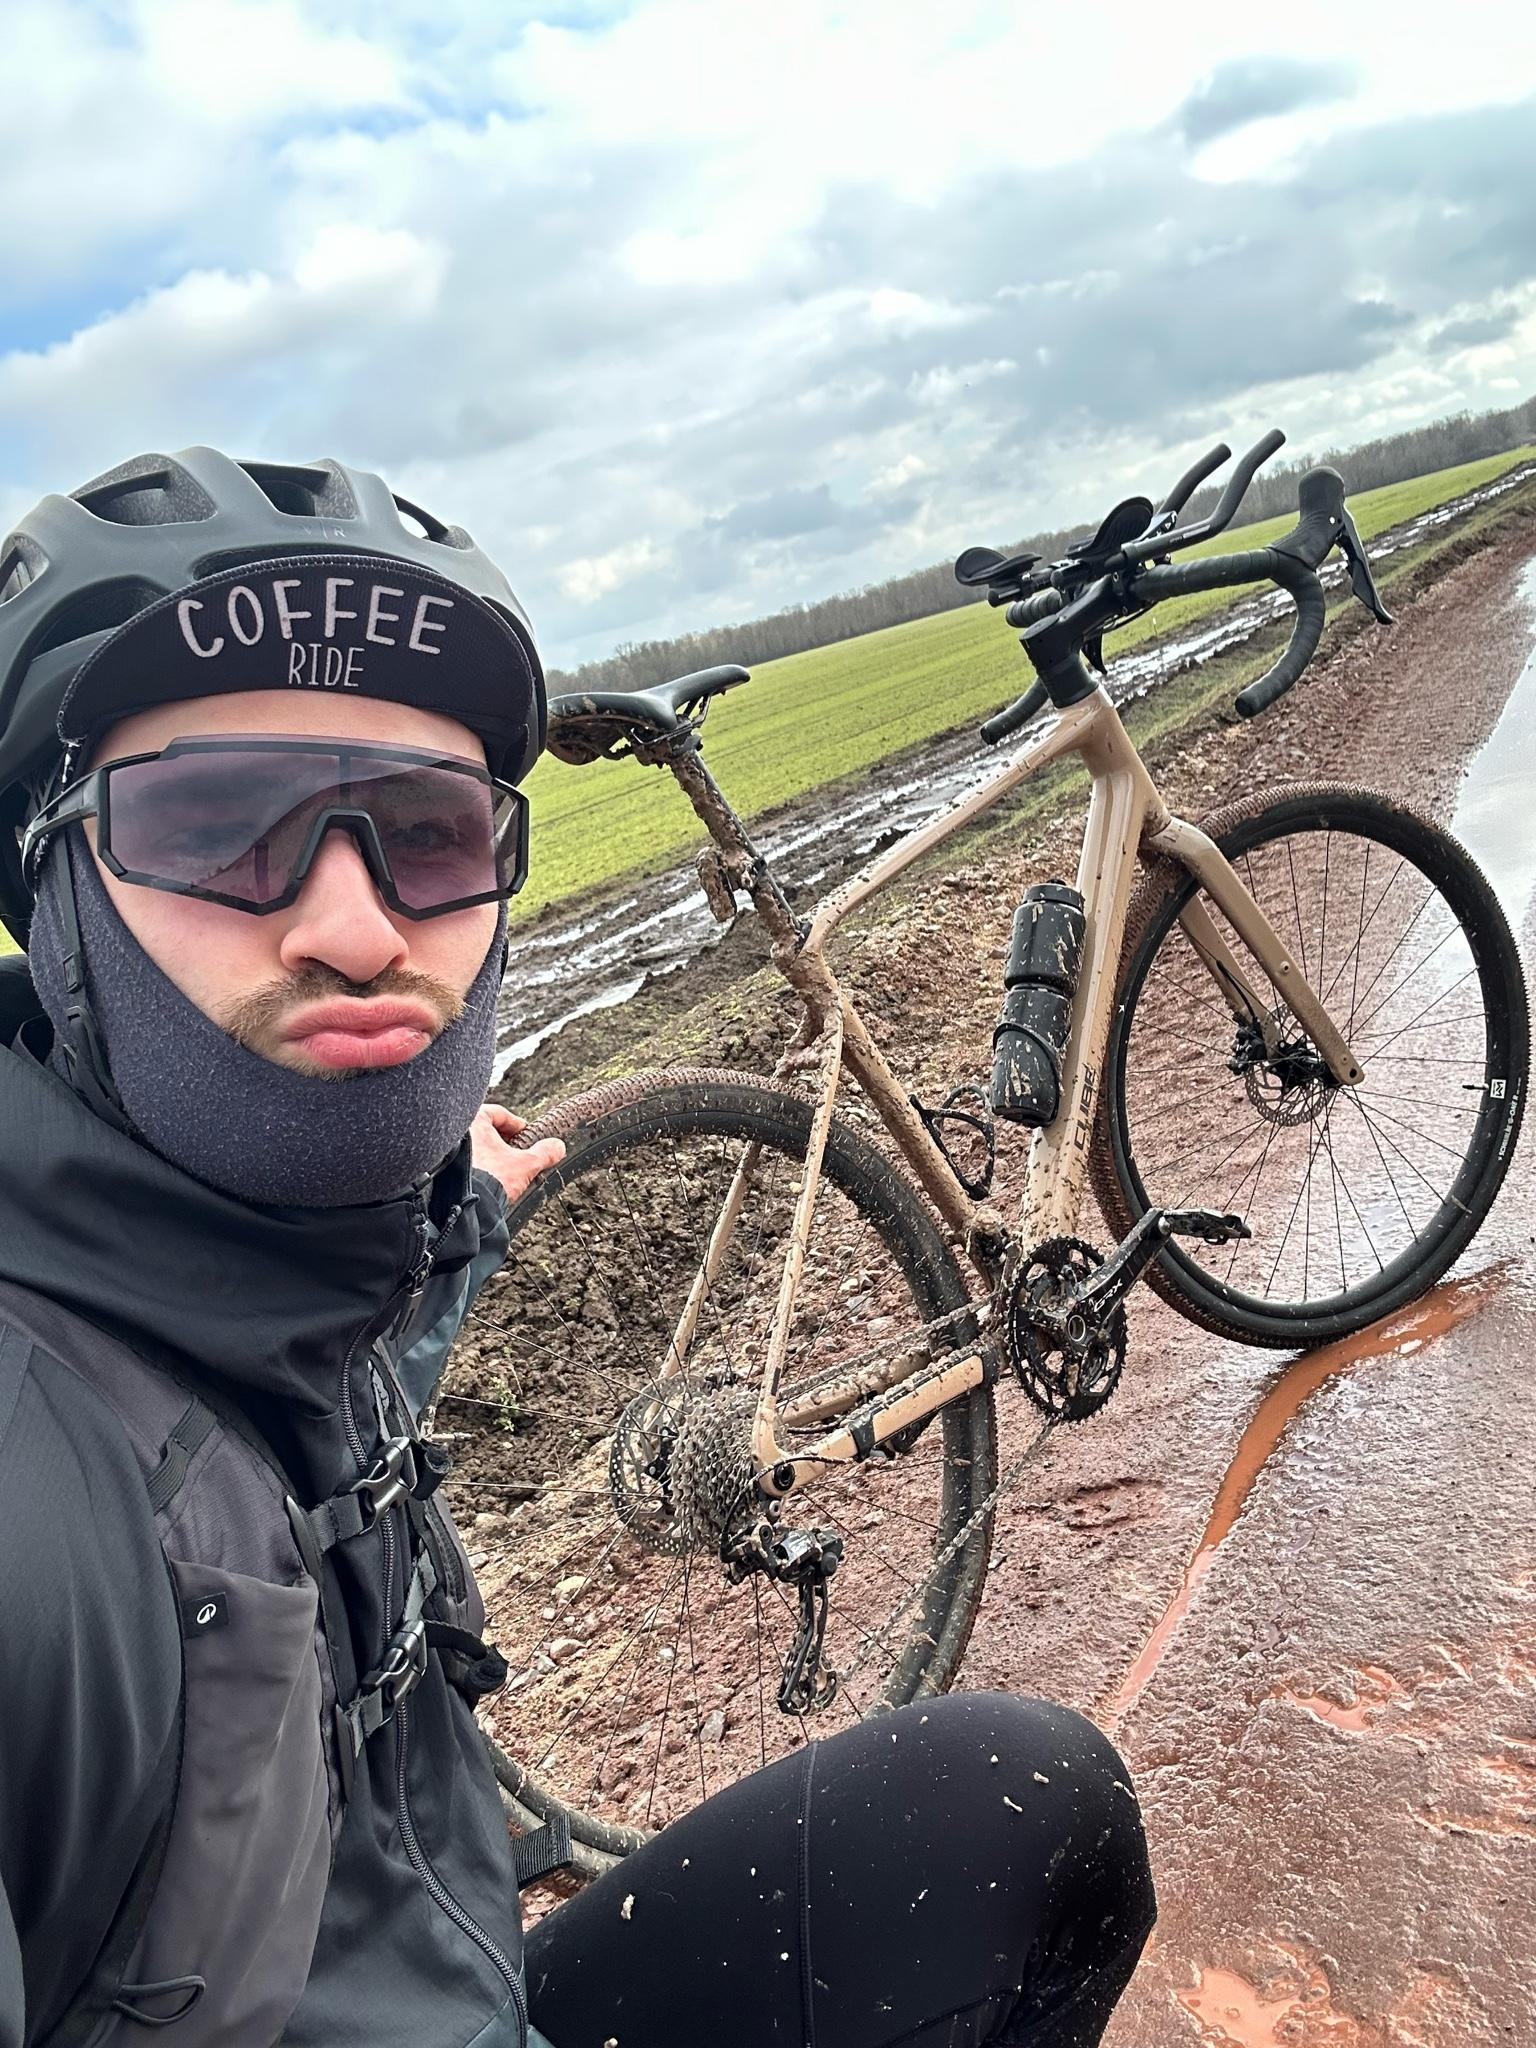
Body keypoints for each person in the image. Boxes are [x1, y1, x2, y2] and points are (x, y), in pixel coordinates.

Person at [0, 448, 1154, 2048]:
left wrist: (443, 1227)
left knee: (1024, 1808)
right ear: (54, 891)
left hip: (458, 1974)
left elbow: (285, 1376)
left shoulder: (274, 1285)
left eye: (428, 831)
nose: (358, 929)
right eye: (216, 824)